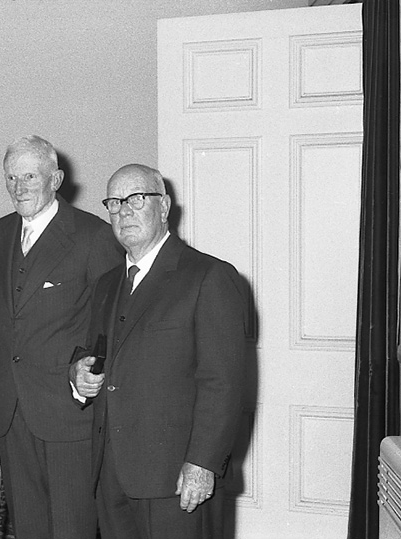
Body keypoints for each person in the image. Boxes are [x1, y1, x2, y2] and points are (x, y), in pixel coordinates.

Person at [70, 164, 247, 539]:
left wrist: (202, 463)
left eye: (136, 199)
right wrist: (78, 374)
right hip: (112, 469)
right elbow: (96, 352)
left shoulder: (208, 277)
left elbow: (223, 383)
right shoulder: (106, 284)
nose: (124, 211)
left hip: (177, 478)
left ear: (164, 206)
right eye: (114, 203)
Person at [0, 135, 122, 539]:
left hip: (67, 409)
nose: (19, 187)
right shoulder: (0, 232)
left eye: (30, 176)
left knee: (70, 527)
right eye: (12, 177)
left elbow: (112, 320)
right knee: (28, 526)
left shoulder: (92, 235)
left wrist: (87, 373)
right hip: (11, 407)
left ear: (56, 179)